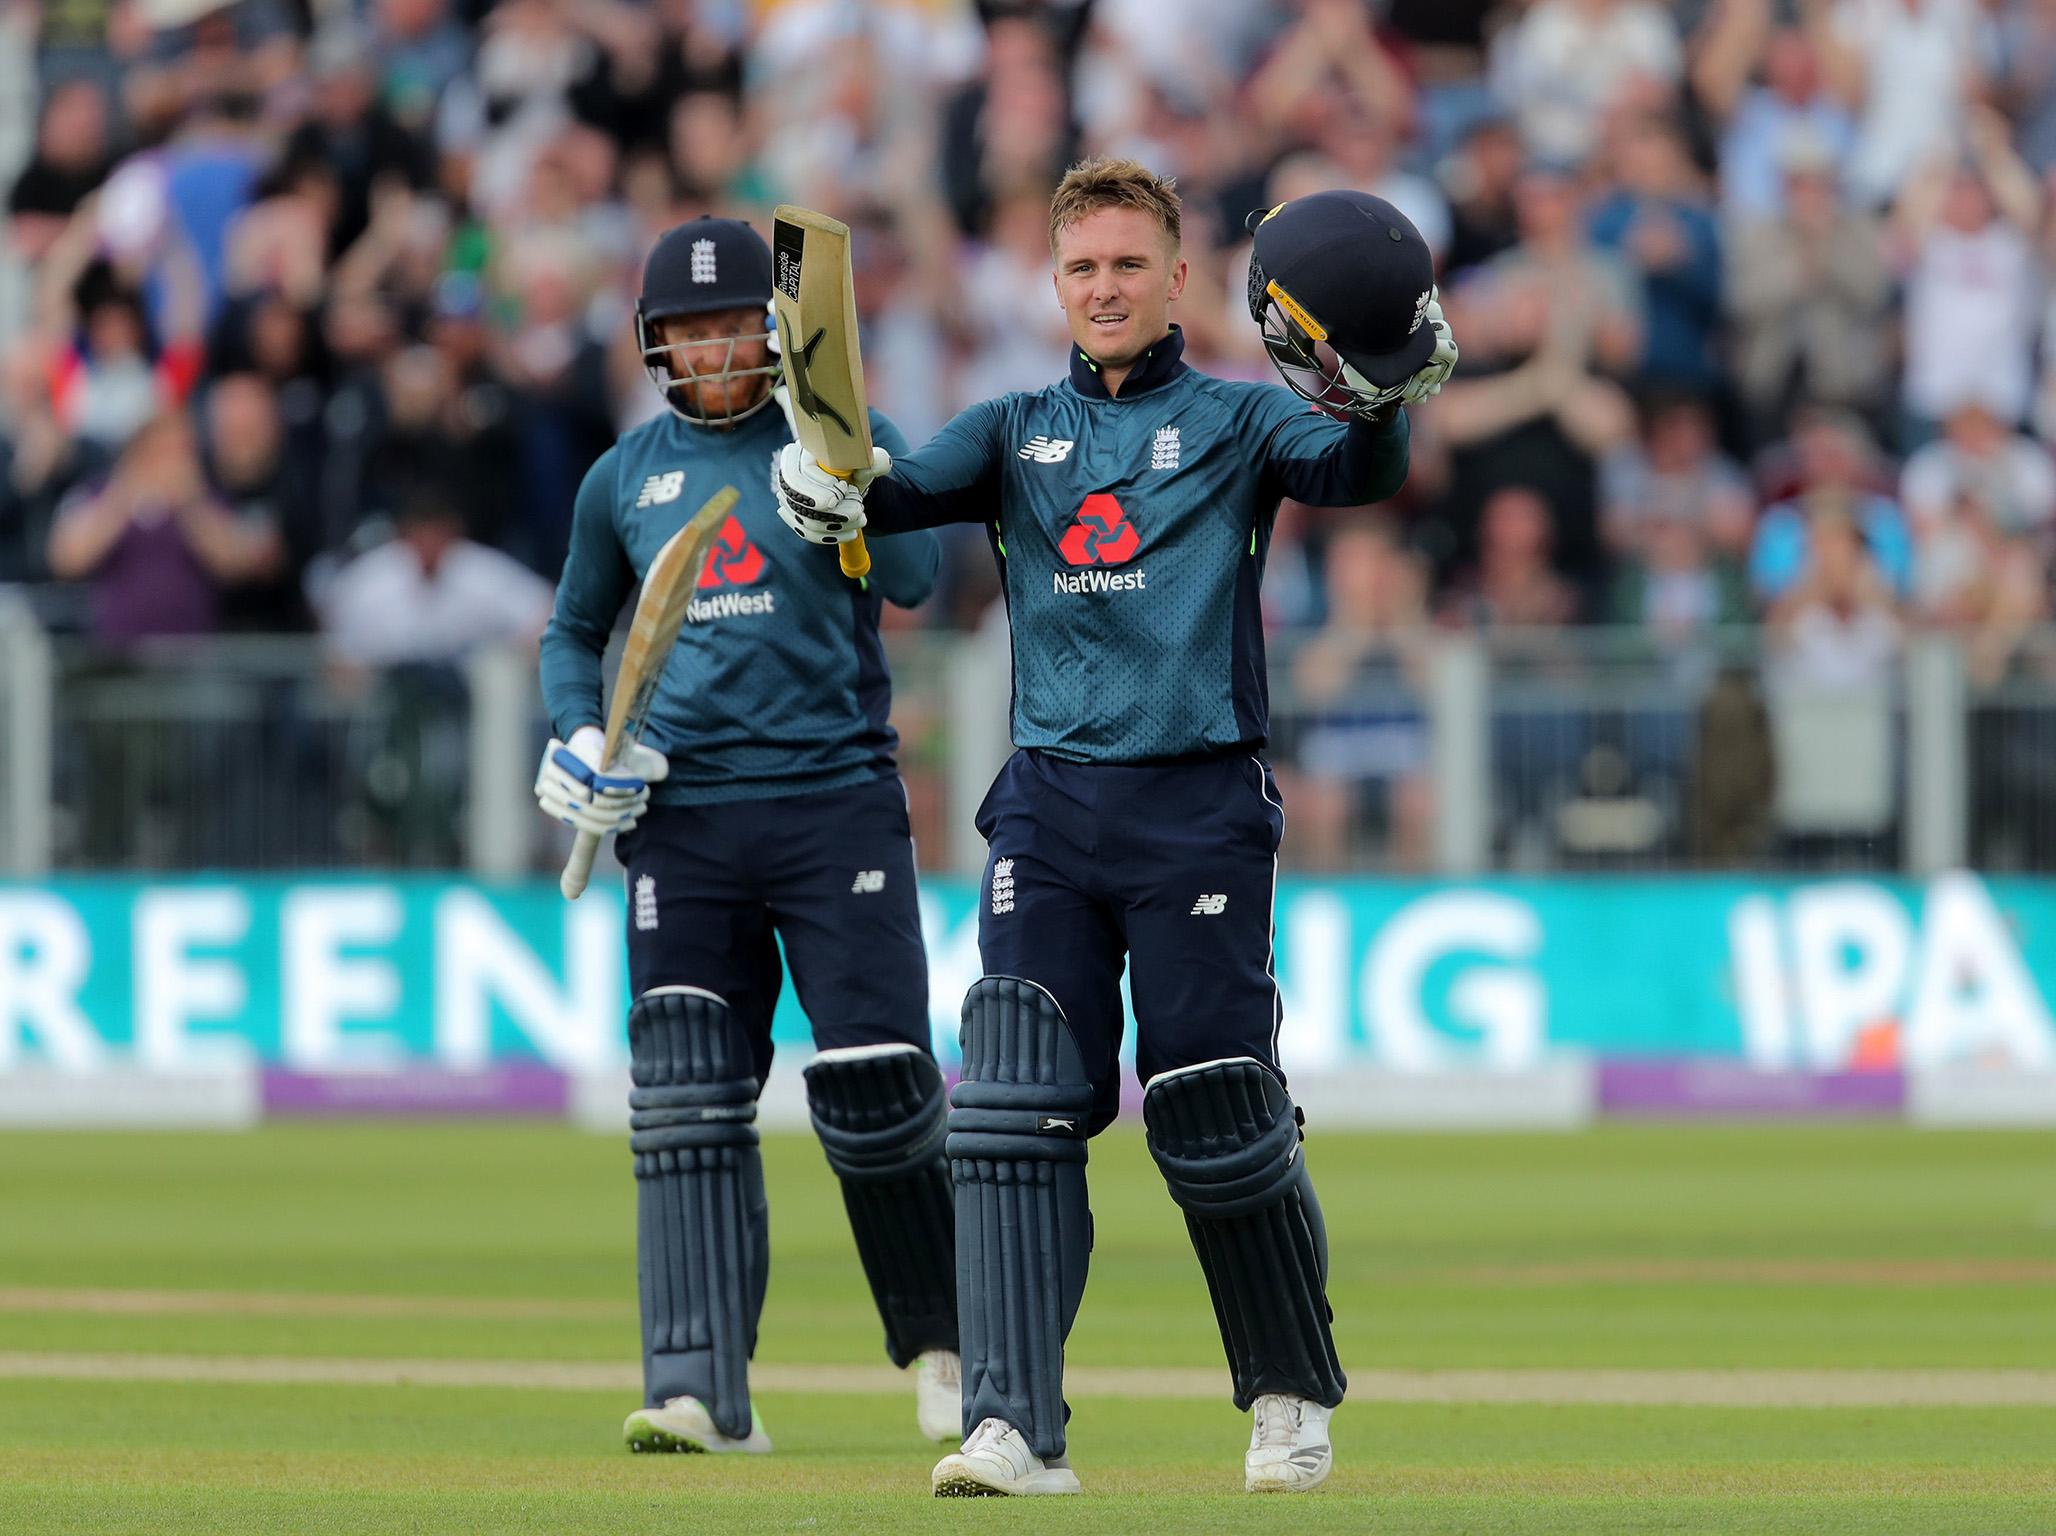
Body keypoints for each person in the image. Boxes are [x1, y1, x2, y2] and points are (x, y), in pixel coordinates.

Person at [771, 160, 1455, 1497]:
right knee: (1014, 1105)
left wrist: (1385, 393)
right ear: (1054, 282)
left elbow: (1354, 469)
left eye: (1128, 266)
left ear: (1177, 278)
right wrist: (823, 481)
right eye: (1082, 267)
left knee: (1212, 1107)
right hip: (1048, 806)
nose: (1104, 288)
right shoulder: (1012, 426)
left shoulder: (1242, 424)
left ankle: (1286, 1393)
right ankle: (1014, 1425)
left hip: (1197, 807)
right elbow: (889, 487)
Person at [532, 217, 955, 1458]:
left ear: (771, 335)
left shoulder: (836, 439)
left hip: (835, 809)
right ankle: (700, 1388)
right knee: (684, 1104)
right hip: (680, 822)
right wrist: (579, 739)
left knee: (878, 1088)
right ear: (655, 345)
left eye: (733, 325)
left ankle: (945, 1348)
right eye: (689, 330)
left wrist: (854, 501)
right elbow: (573, 636)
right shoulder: (623, 479)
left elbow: (922, 581)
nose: (713, 348)